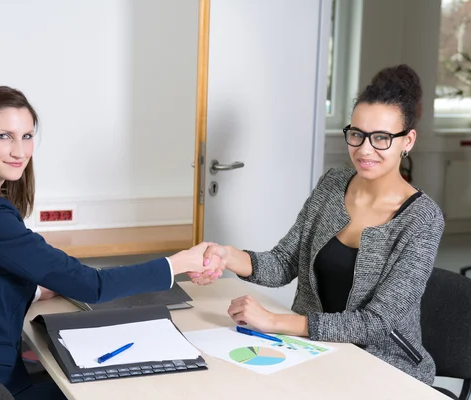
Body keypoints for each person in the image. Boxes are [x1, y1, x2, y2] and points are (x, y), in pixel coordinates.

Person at [0, 86, 220, 400]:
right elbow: (91, 286)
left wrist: (40, 290)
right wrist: (180, 263)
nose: (20, 151)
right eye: (4, 136)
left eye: (27, 136)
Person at [190, 64, 444, 385]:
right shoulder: (333, 184)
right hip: (313, 350)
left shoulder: (422, 218)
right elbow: (283, 262)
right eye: (357, 134)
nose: (365, 149)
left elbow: (376, 322)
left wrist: (274, 321)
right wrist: (227, 255)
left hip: (384, 363)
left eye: (381, 138)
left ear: (407, 140)